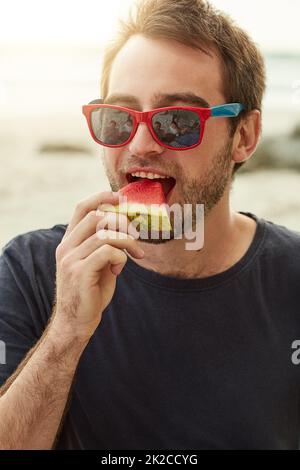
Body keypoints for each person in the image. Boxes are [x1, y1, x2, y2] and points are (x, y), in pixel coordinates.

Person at [0, 0, 300, 451]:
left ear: (244, 136)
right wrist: (65, 332)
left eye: (177, 122)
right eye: (119, 119)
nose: (140, 145)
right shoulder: (31, 270)